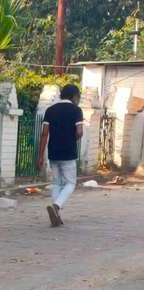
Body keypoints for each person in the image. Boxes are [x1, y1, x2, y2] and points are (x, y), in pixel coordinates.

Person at [37, 84, 84, 227]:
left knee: (57, 183)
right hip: (68, 153)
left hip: (53, 153)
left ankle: (56, 215)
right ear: (74, 96)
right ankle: (56, 206)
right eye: (78, 97)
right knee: (70, 183)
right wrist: (73, 138)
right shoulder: (76, 110)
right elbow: (79, 132)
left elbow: (44, 134)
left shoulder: (50, 110)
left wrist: (40, 156)